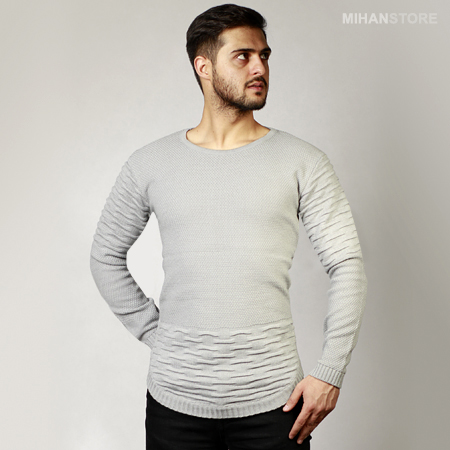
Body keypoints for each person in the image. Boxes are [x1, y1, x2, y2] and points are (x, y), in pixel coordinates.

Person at [89, 4, 368, 449]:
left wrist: (330, 371)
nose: (260, 68)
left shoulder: (303, 162)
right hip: (174, 405)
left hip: (277, 405)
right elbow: (104, 256)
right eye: (243, 56)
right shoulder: (150, 163)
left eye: (264, 55)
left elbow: (347, 263)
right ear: (204, 67)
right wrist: (156, 334)